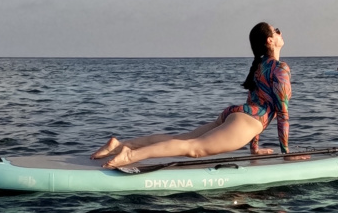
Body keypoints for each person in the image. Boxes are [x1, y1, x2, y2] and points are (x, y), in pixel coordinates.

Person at [93, 21, 291, 170]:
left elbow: (253, 101)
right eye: (277, 30)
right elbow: (282, 113)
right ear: (270, 40)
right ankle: (129, 156)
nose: (281, 32)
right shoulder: (280, 69)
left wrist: (254, 149)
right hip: (251, 119)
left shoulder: (259, 66)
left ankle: (120, 145)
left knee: (183, 138)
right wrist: (286, 153)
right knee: (194, 148)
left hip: (238, 114)